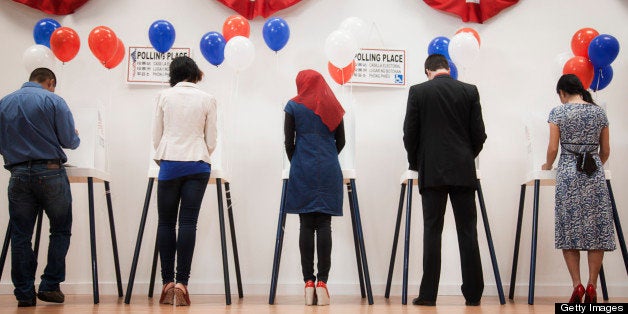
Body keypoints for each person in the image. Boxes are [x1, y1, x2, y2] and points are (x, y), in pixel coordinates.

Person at [403, 54, 487, 306]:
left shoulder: (418, 92)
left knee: (432, 231)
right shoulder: (469, 91)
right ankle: (473, 294)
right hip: (463, 169)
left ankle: (428, 295)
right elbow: (479, 135)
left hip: (433, 171)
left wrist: (417, 163)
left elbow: (410, 134)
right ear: (448, 69)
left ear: (428, 70)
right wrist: (465, 156)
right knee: (468, 231)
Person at [0, 68, 80, 307]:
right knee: (60, 230)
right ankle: (50, 285)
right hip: (51, 172)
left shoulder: (4, 103)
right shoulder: (53, 100)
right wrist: (74, 135)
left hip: (18, 174)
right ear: (50, 82)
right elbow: (69, 141)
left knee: (21, 234)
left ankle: (24, 293)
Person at [541, 74, 615, 304]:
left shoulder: (558, 112)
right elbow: (605, 150)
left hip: (568, 173)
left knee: (569, 229)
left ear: (563, 92)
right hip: (593, 174)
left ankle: (577, 284)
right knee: (596, 230)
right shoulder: (598, 112)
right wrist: (594, 165)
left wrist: (548, 165)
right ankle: (593, 285)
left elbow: (553, 148)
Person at [152, 56, 217, 306]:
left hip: (169, 162)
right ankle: (182, 283)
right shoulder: (207, 98)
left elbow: (156, 136)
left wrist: (165, 156)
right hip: (197, 163)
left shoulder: (164, 97)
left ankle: (167, 283)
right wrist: (201, 153)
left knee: (166, 223)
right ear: (193, 73)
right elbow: (211, 139)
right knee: (188, 223)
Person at [284, 69, 345, 306]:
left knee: (306, 224)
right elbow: (341, 141)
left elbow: (288, 142)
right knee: (325, 223)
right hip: (329, 168)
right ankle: (323, 282)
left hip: (302, 167)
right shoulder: (333, 105)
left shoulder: (292, 106)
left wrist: (299, 161)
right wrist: (328, 155)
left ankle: (308, 282)